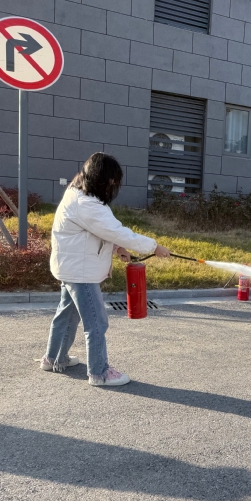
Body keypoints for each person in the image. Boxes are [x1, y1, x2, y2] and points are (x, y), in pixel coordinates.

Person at [41, 152, 171, 386]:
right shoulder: (86, 204)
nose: (113, 186)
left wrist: (118, 248)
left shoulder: (78, 194)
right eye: (111, 181)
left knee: (67, 315)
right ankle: (99, 373)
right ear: (100, 179)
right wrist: (154, 246)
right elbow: (115, 231)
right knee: (97, 322)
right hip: (80, 273)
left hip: (71, 267)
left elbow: (97, 231)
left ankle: (53, 359)